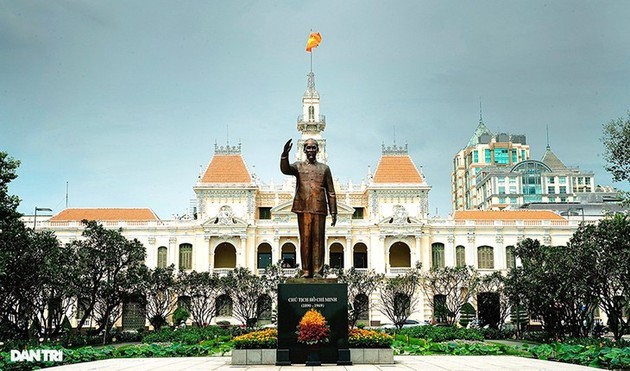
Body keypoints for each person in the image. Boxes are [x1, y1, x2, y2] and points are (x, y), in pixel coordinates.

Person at [280, 138, 337, 278]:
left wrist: (334, 212)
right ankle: (306, 270)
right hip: (303, 207)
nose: (311, 150)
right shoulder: (298, 166)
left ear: (318, 150)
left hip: (319, 208)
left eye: (313, 148)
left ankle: (318, 271)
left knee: (318, 240)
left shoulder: (324, 168)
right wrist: (284, 155)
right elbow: (285, 169)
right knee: (305, 240)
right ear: (304, 150)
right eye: (308, 148)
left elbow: (331, 191)